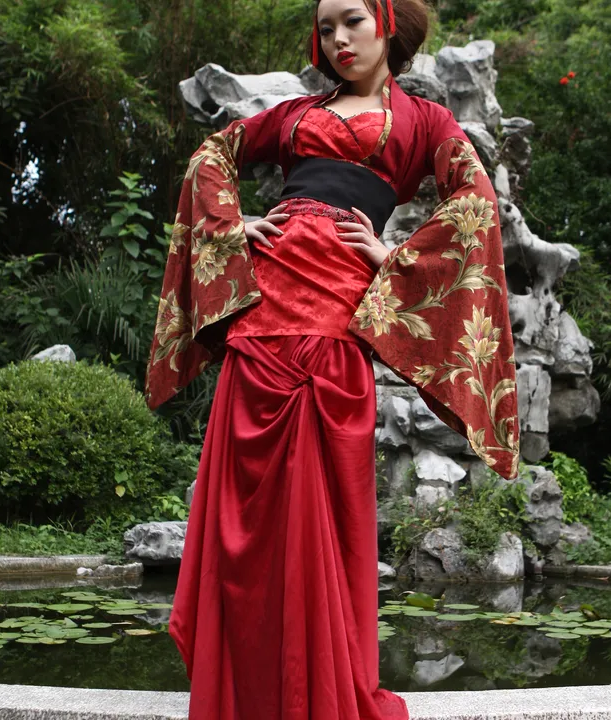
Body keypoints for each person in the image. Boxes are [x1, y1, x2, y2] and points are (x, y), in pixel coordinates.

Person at [145, 0, 519, 717]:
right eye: (325, 28)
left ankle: (317, 691)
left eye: (352, 21)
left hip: (338, 322)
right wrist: (232, 225)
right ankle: (245, 692)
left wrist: (396, 256)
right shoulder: (292, 115)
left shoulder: (426, 122)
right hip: (263, 318)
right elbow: (211, 154)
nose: (338, 39)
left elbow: (475, 201)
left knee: (327, 507)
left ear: (387, 23)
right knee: (247, 517)